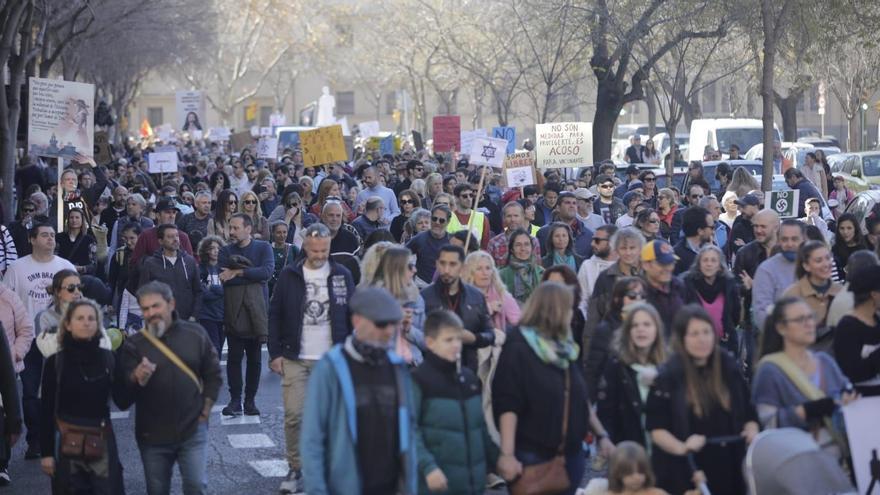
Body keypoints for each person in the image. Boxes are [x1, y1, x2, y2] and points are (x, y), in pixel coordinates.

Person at [492, 282, 614, 494]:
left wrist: (601, 435)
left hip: (570, 455)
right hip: (533, 455)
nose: (572, 315)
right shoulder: (519, 345)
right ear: (553, 310)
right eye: (568, 309)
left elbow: (578, 395)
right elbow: (508, 403)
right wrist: (507, 454)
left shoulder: (564, 345)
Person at [300, 286, 419, 494]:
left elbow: (409, 430)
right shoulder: (331, 367)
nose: (389, 331)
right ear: (357, 320)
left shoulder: (397, 367)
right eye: (381, 323)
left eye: (393, 323)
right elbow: (313, 438)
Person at [268, 222, 354, 494]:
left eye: (325, 250)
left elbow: (353, 316)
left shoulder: (342, 275)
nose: (320, 255)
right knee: (294, 415)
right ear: (305, 247)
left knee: (329, 418)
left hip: (331, 359)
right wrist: (275, 353)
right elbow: (275, 313)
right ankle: (295, 467)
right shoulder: (289, 275)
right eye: (315, 250)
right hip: (295, 356)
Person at [119, 281, 222, 495]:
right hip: (152, 435)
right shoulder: (133, 345)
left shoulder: (195, 334)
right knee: (157, 490)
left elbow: (213, 374)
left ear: (171, 304)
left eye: (156, 306)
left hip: (192, 429)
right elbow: (121, 399)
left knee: (196, 486)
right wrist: (135, 377)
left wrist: (206, 407)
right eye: (145, 309)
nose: (150, 313)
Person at [646, 305, 759, 495]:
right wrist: (682, 448)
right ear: (682, 338)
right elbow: (656, 429)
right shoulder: (668, 375)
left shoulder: (728, 366)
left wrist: (752, 427)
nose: (702, 339)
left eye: (706, 332)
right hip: (687, 469)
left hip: (730, 463)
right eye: (694, 334)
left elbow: (749, 409)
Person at [39, 299, 128, 493]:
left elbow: (123, 401)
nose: (86, 322)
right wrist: (46, 454)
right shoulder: (56, 362)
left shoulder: (109, 358)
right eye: (80, 318)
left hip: (102, 441)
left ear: (98, 324)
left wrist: (138, 379)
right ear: (68, 324)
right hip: (66, 443)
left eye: (91, 318)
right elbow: (46, 411)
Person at [752, 297, 856, 462]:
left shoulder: (825, 361)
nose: (809, 324)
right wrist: (806, 411)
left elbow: (848, 394)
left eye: (810, 317)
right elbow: (766, 423)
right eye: (800, 319)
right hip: (797, 463)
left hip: (838, 463)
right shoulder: (770, 369)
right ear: (781, 328)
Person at [3, 223, 75, 459]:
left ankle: (59, 436)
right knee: (31, 392)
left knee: (61, 390)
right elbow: (7, 305)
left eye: (53, 235)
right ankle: (35, 439)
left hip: (61, 339)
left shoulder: (65, 266)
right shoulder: (16, 268)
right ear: (32, 239)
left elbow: (78, 302)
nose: (50, 239)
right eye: (44, 235)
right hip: (30, 340)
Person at [412, 309, 499, 493]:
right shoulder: (418, 380)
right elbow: (409, 431)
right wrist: (429, 468)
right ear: (430, 343)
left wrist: (499, 460)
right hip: (438, 486)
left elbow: (480, 429)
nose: (455, 345)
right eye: (448, 340)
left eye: (458, 339)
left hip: (473, 486)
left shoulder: (469, 380)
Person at [217, 213, 273, 416]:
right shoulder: (225, 250)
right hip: (233, 311)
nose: (231, 232)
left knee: (255, 359)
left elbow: (266, 273)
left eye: (235, 228)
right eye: (230, 228)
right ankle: (235, 400)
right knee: (234, 358)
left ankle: (250, 401)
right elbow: (224, 277)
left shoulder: (263, 247)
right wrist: (250, 275)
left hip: (257, 312)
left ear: (248, 229)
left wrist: (238, 272)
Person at [597, 302, 666, 448]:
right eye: (635, 325)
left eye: (647, 324)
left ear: (657, 329)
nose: (641, 329)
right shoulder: (615, 365)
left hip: (664, 451)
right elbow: (606, 410)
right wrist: (606, 440)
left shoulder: (669, 364)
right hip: (629, 449)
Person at [421, 245, 495, 372]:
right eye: (442, 264)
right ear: (437, 264)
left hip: (468, 368)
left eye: (452, 264)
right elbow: (418, 335)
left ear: (462, 267)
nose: (446, 270)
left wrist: (474, 338)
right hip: (433, 368)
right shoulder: (424, 297)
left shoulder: (476, 296)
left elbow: (490, 334)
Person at [585, 277, 647, 400]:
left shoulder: (650, 325)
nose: (638, 299)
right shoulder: (605, 330)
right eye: (632, 295)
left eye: (642, 295)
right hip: (614, 398)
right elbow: (593, 372)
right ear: (618, 299)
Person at [586, 229, 645, 346]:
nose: (628, 253)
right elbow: (593, 318)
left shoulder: (648, 275)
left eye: (632, 248)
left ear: (640, 249)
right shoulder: (605, 278)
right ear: (616, 250)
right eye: (623, 248)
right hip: (612, 344)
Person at [368, 246, 426, 366]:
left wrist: (409, 329)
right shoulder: (373, 298)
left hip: (412, 365)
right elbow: (361, 338)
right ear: (396, 269)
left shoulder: (416, 298)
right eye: (410, 266)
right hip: (382, 366)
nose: (415, 270)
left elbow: (427, 342)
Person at [782, 240, 843, 351]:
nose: (826, 264)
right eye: (818, 260)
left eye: (828, 258)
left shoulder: (841, 292)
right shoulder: (792, 295)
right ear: (806, 266)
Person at [682, 245, 741, 354]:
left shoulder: (729, 284)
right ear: (699, 264)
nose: (709, 264)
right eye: (705, 260)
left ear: (719, 265)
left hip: (724, 344)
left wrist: (728, 328)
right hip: (695, 344)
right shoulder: (688, 284)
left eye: (713, 260)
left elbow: (735, 313)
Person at [137, 224, 202, 321]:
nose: (175, 239)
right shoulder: (150, 264)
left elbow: (198, 291)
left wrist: (194, 315)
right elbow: (143, 292)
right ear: (160, 241)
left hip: (187, 321)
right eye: (170, 237)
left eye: (176, 236)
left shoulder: (190, 261)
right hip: (160, 321)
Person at [834, 265, 880, 396]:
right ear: (874, 295)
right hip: (862, 404)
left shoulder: (876, 319)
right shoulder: (848, 327)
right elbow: (853, 373)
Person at [752, 220, 804, 329]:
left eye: (794, 239)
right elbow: (761, 312)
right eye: (785, 239)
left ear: (803, 239)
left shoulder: (814, 264)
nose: (789, 244)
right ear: (778, 240)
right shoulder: (766, 270)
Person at [582, 441, 667, 495]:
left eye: (641, 472)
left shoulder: (657, 493)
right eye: (629, 473)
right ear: (618, 473)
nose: (636, 477)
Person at [131, 198, 194, 266]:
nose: (172, 216)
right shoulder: (146, 235)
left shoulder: (183, 236)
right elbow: (135, 261)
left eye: (174, 212)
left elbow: (190, 264)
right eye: (168, 212)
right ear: (158, 215)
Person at [641, 240, 686, 333]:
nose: (668, 268)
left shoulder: (678, 285)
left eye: (671, 263)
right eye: (662, 264)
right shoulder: (636, 291)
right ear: (646, 265)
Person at [407, 204, 452, 286]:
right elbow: (401, 257)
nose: (437, 223)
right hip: (421, 286)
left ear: (448, 222)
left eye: (441, 220)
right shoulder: (419, 238)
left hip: (445, 286)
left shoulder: (453, 241)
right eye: (434, 219)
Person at [487, 201, 541, 268]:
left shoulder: (533, 241)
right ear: (504, 218)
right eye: (509, 216)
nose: (512, 219)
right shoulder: (494, 243)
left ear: (523, 217)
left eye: (516, 216)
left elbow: (537, 269)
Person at [577, 225, 618, 314]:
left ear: (613, 242)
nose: (592, 244)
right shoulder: (587, 266)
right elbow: (581, 300)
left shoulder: (625, 265)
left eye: (597, 240)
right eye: (592, 240)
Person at [498, 229, 545, 305]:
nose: (523, 249)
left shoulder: (542, 272)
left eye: (526, 244)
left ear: (532, 248)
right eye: (518, 245)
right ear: (512, 249)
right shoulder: (502, 275)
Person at [197, 236, 225, 359]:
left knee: (219, 346)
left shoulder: (225, 269)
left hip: (223, 315)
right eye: (212, 248)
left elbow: (228, 291)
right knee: (214, 347)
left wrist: (212, 288)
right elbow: (203, 294)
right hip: (207, 315)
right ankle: (213, 376)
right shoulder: (201, 269)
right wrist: (220, 291)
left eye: (218, 248)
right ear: (206, 251)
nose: (215, 251)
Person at [447, 183, 490, 250]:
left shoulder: (482, 218)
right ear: (456, 198)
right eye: (465, 196)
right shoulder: (448, 218)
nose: (469, 199)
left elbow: (485, 245)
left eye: (471, 195)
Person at [672, 206, 713, 276]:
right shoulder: (676, 255)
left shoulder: (713, 250)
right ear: (700, 231)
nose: (713, 232)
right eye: (712, 228)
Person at [55, 208, 96, 275]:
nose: (74, 220)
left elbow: (93, 264)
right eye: (71, 217)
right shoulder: (59, 238)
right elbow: (54, 257)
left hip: (82, 277)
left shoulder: (89, 239)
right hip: (62, 275)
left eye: (77, 217)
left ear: (82, 220)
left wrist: (80, 268)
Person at [831, 212, 868, 279]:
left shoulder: (864, 246)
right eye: (842, 228)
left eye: (849, 228)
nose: (845, 232)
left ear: (855, 229)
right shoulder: (835, 249)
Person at [269, 221, 299, 298]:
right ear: (272, 233)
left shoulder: (293, 249)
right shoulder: (268, 249)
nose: (282, 235)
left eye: (284, 232)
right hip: (271, 288)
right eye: (278, 232)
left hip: (289, 287)